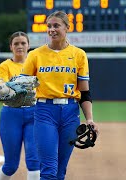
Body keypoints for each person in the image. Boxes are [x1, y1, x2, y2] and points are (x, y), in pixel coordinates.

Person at [20, 11, 99, 179]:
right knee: (48, 169)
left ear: (67, 28)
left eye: (56, 25)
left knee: (60, 171)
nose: (51, 29)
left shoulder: (79, 55)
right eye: (49, 26)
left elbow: (84, 93)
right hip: (44, 111)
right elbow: (22, 85)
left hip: (71, 113)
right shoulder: (35, 54)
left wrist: (90, 119)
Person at [0, 32, 40, 180]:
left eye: (23, 43)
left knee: (34, 162)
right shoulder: (4, 66)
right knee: (11, 165)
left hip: (33, 113)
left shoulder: (36, 64)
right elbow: (2, 89)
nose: (20, 46)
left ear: (28, 46)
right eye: (16, 43)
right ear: (11, 47)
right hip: (11, 114)